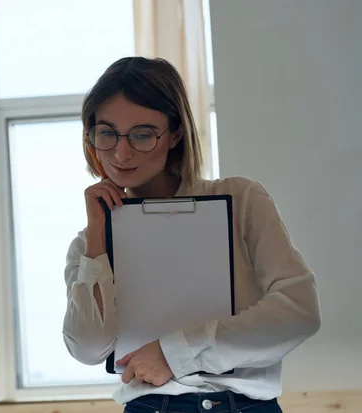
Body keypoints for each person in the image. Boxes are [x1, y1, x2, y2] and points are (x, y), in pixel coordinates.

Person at [62, 57, 321, 413]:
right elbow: (88, 349)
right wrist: (97, 240)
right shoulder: (87, 244)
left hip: (246, 406)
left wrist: (173, 353)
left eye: (142, 135)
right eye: (107, 133)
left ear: (176, 134)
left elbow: (299, 311)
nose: (121, 153)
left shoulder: (242, 200)